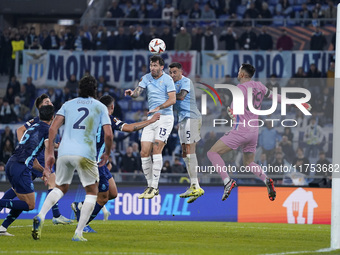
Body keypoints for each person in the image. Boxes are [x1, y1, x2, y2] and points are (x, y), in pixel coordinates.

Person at [207, 63, 311, 202]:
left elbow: (233, 107)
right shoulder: (260, 86)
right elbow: (277, 97)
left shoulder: (240, 88)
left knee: (212, 153)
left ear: (243, 74)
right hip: (254, 132)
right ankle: (266, 179)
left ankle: (227, 181)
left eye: (239, 71)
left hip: (241, 130)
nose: (237, 74)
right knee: (249, 162)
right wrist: (297, 103)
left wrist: (231, 111)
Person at [32, 75, 113, 242]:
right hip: (85, 152)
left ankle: (41, 215)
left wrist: (49, 154)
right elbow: (109, 134)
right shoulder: (99, 106)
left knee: (60, 188)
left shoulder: (68, 104)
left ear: (79, 89)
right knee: (92, 192)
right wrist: (107, 153)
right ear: (95, 90)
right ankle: (78, 233)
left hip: (64, 151)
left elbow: (52, 129)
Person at [71, 95, 160, 232]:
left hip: (97, 161)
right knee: (103, 197)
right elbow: (130, 128)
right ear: (112, 107)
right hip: (93, 162)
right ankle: (83, 225)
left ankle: (80, 206)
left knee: (113, 193)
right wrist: (151, 121)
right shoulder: (106, 118)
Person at [10, 94, 72, 225]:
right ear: (40, 107)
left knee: (18, 191)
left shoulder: (48, 122)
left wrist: (57, 145)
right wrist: (25, 146)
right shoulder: (38, 120)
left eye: (50, 101)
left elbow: (49, 143)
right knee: (51, 182)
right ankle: (55, 215)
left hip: (29, 158)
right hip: (36, 157)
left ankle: (3, 226)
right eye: (46, 102)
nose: (50, 103)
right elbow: (20, 130)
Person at [125, 55, 175, 199]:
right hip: (151, 118)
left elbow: (172, 99)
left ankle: (155, 186)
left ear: (161, 67)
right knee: (143, 152)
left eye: (155, 65)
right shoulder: (146, 78)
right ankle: (149, 187)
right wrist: (132, 94)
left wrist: (158, 107)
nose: (152, 68)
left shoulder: (168, 80)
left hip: (165, 118)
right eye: (151, 65)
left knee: (156, 148)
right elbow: (137, 93)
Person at [0, 105, 54, 236]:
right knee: (29, 204)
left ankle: (2, 228)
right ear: (52, 118)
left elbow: (33, 159)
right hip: (21, 167)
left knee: (22, 198)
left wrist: (43, 171)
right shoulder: (48, 130)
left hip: (12, 163)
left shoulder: (33, 127)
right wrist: (48, 167)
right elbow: (48, 147)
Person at [169, 62, 204, 203]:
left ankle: (196, 185)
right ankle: (194, 185)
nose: (172, 75)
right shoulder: (171, 84)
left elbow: (182, 96)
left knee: (190, 150)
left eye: (175, 72)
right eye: (170, 72)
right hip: (182, 120)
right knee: (184, 153)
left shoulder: (186, 81)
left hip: (192, 117)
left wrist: (165, 96)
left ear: (181, 71)